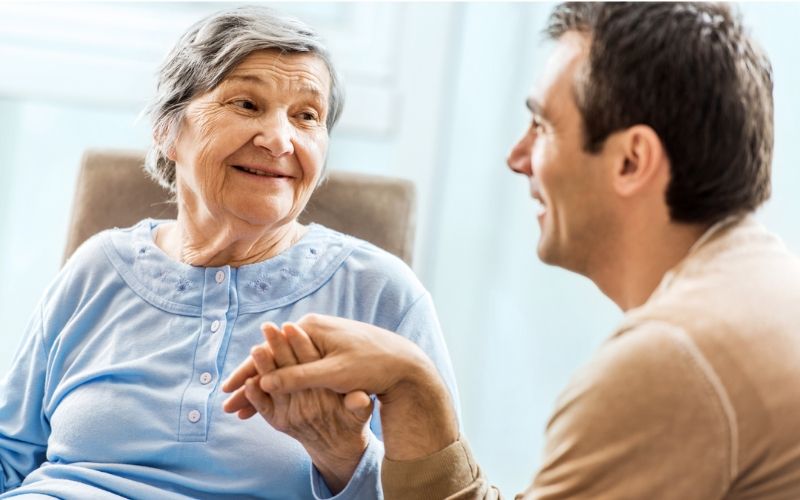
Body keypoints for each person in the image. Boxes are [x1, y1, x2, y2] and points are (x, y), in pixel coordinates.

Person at [224, 2, 800, 498]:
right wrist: (414, 386)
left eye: (543, 127)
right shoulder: (762, 291)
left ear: (631, 161)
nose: (518, 157)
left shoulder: (669, 363)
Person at [0, 6, 459, 499]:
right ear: (168, 129)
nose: (280, 139)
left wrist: (343, 455)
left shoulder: (381, 293)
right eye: (246, 104)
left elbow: (439, 494)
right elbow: (11, 454)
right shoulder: (96, 268)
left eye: (307, 115)